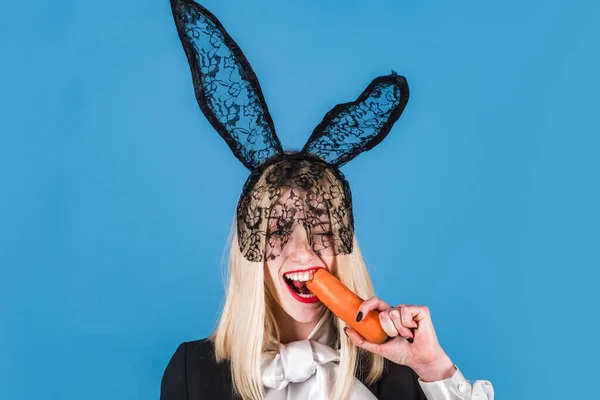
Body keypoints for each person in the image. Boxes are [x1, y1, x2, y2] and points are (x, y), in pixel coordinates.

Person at [161, 1, 495, 399]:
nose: (303, 254)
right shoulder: (193, 372)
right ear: (250, 247)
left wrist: (432, 368)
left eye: (321, 229)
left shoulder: (399, 369)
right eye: (278, 230)